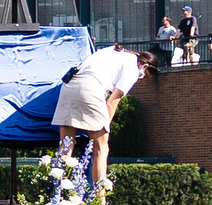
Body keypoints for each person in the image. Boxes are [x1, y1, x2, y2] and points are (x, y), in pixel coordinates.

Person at [53, 42, 153, 191]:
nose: (141, 78)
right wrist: (104, 128)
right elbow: (111, 103)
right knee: (101, 148)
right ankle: (100, 202)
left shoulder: (112, 51)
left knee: (66, 147)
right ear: (145, 66)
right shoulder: (133, 68)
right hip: (91, 88)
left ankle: (59, 196)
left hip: (68, 87)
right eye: (144, 75)